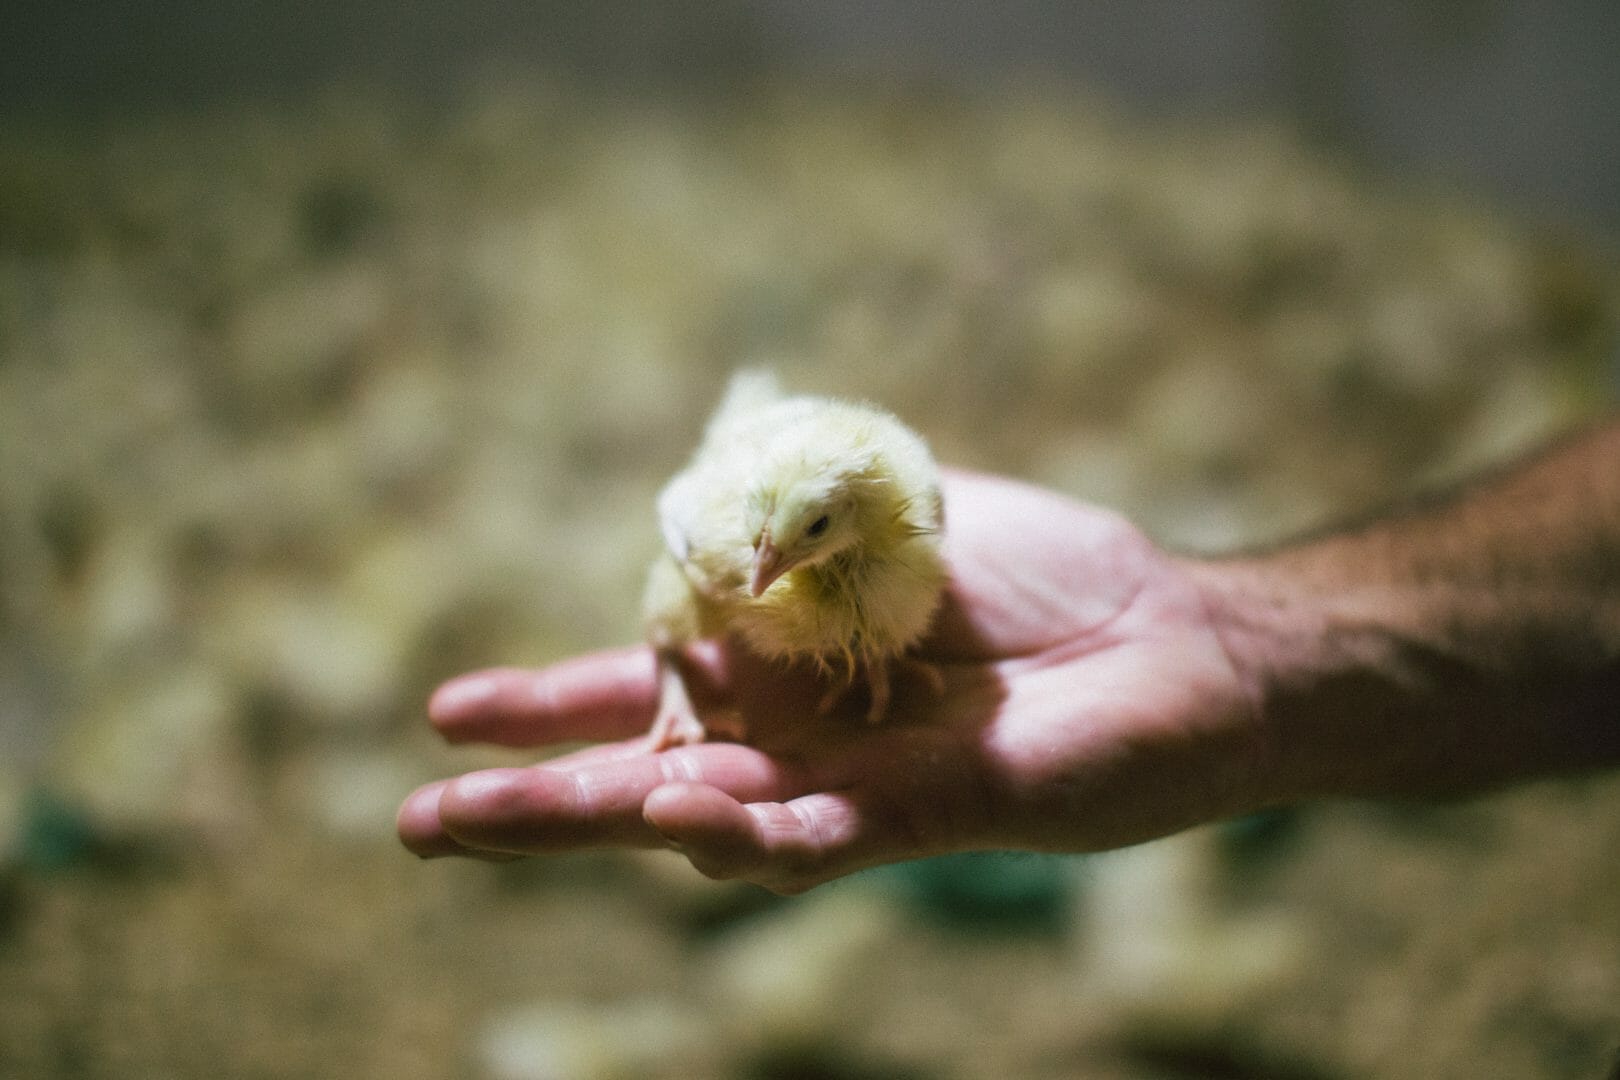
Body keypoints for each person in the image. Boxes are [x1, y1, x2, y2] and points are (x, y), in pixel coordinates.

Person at [397, 417, 1620, 895]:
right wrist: (683, 678)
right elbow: (713, 546)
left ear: (870, 514)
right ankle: (683, 678)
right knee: (712, 622)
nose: (763, 570)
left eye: (808, 535)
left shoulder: (904, 514)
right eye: (772, 546)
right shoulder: (755, 541)